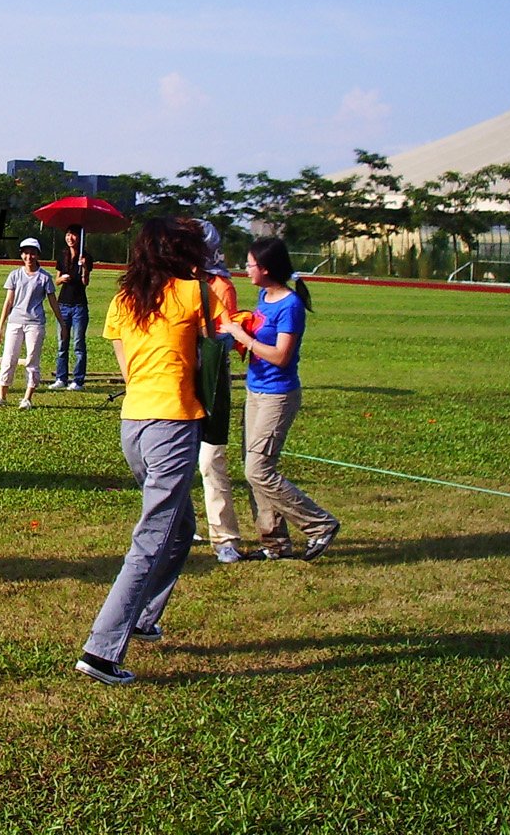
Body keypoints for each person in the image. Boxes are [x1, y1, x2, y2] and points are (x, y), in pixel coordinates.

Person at [75, 216, 223, 686]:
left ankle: (141, 616)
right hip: (174, 423)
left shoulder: (123, 299)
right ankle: (101, 650)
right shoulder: (194, 293)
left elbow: (127, 369)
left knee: (180, 531)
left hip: (134, 423)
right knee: (152, 538)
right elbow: (215, 345)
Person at [220, 237, 340, 562]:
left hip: (278, 395)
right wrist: (240, 338)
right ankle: (274, 544)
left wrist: (242, 336)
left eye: (250, 265)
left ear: (267, 268)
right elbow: (260, 341)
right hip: (255, 390)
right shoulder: (264, 296)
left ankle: (320, 525)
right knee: (254, 467)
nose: (245, 270)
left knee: (258, 470)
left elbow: (282, 356)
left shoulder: (290, 306)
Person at [191, 220, 244, 565]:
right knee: (176, 459)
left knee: (210, 460)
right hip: (176, 380)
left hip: (209, 380)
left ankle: (224, 537)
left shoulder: (220, 286)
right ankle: (182, 525)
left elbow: (224, 334)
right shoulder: (173, 283)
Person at [0, 237, 63, 410]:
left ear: (37, 255)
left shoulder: (44, 278)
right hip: (15, 322)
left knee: (32, 359)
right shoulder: (15, 275)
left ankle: (27, 398)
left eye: (32, 253)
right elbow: (8, 302)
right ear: (21, 255)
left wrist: (62, 323)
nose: (29, 257)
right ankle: (2, 396)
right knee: (9, 358)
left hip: (35, 323)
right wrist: (0, 327)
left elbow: (53, 302)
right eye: (26, 253)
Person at [49, 224, 93, 391]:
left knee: (78, 344)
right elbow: (57, 281)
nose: (70, 238)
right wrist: (63, 279)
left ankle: (78, 380)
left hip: (79, 306)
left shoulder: (86, 257)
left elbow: (85, 283)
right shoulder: (63, 255)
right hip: (63, 305)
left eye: (73, 235)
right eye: (68, 234)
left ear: (80, 238)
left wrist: (85, 268)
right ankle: (61, 378)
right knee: (62, 343)